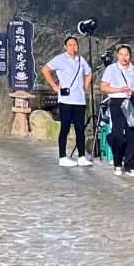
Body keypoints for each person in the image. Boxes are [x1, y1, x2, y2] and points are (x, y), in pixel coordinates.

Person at [41, 34, 93, 168]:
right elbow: (45, 70)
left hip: (80, 100)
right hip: (66, 100)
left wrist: (85, 86)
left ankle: (81, 156)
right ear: (65, 47)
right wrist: (54, 86)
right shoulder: (60, 59)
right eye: (70, 45)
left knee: (80, 129)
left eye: (75, 45)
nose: (73, 47)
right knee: (64, 128)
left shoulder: (81, 60)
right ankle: (62, 157)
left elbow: (89, 73)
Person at [101, 43, 134, 177]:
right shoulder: (111, 69)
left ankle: (130, 165)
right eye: (121, 54)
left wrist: (132, 91)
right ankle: (117, 162)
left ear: (130, 56)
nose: (124, 57)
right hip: (116, 102)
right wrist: (119, 89)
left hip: (130, 102)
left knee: (132, 133)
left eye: (126, 54)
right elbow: (104, 87)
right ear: (117, 56)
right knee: (118, 134)